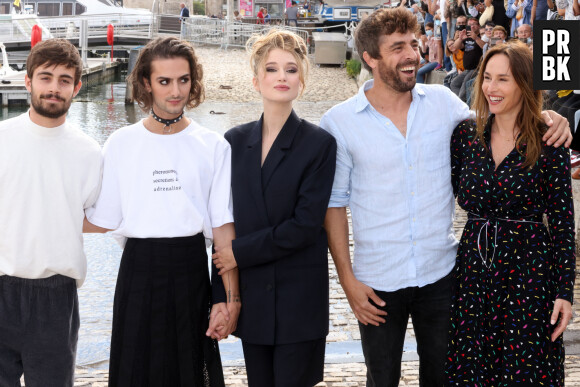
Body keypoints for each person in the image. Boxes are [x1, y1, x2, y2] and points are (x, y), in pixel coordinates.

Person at [319, 7, 571, 387]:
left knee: (448, 376)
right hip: (381, 279)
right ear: (369, 59)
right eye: (397, 47)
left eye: (413, 43)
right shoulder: (338, 122)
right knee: (382, 378)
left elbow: (502, 118)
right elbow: (334, 204)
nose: (412, 55)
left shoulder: (443, 105)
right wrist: (347, 281)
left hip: (447, 275)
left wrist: (551, 116)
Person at [84, 37, 239, 386]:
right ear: (146, 83)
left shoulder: (212, 145)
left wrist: (229, 300)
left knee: (190, 371)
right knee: (134, 370)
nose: (175, 91)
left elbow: (223, 230)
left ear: (193, 81)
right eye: (164, 81)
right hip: (138, 268)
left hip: (191, 268)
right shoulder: (121, 143)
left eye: (183, 80)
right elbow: (101, 219)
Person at [212, 29, 337, 387]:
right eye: (271, 69)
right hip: (253, 303)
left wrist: (239, 253)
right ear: (255, 81)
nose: (281, 77)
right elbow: (221, 220)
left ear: (302, 80)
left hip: (299, 303)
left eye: (291, 69)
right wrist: (222, 297)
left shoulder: (320, 144)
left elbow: (305, 225)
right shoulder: (233, 141)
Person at [446, 41, 575, 385]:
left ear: (525, 83)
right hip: (473, 270)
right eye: (487, 78)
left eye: (503, 79)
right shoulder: (464, 137)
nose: (491, 88)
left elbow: (563, 224)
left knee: (525, 369)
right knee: (472, 366)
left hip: (529, 271)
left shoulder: (549, 142)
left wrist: (565, 292)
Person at [0, 38, 102, 386]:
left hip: (55, 295)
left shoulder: (90, 154)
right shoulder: (2, 139)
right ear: (27, 81)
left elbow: (99, 219)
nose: (53, 88)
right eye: (45, 77)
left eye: (63, 80)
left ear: (76, 87)